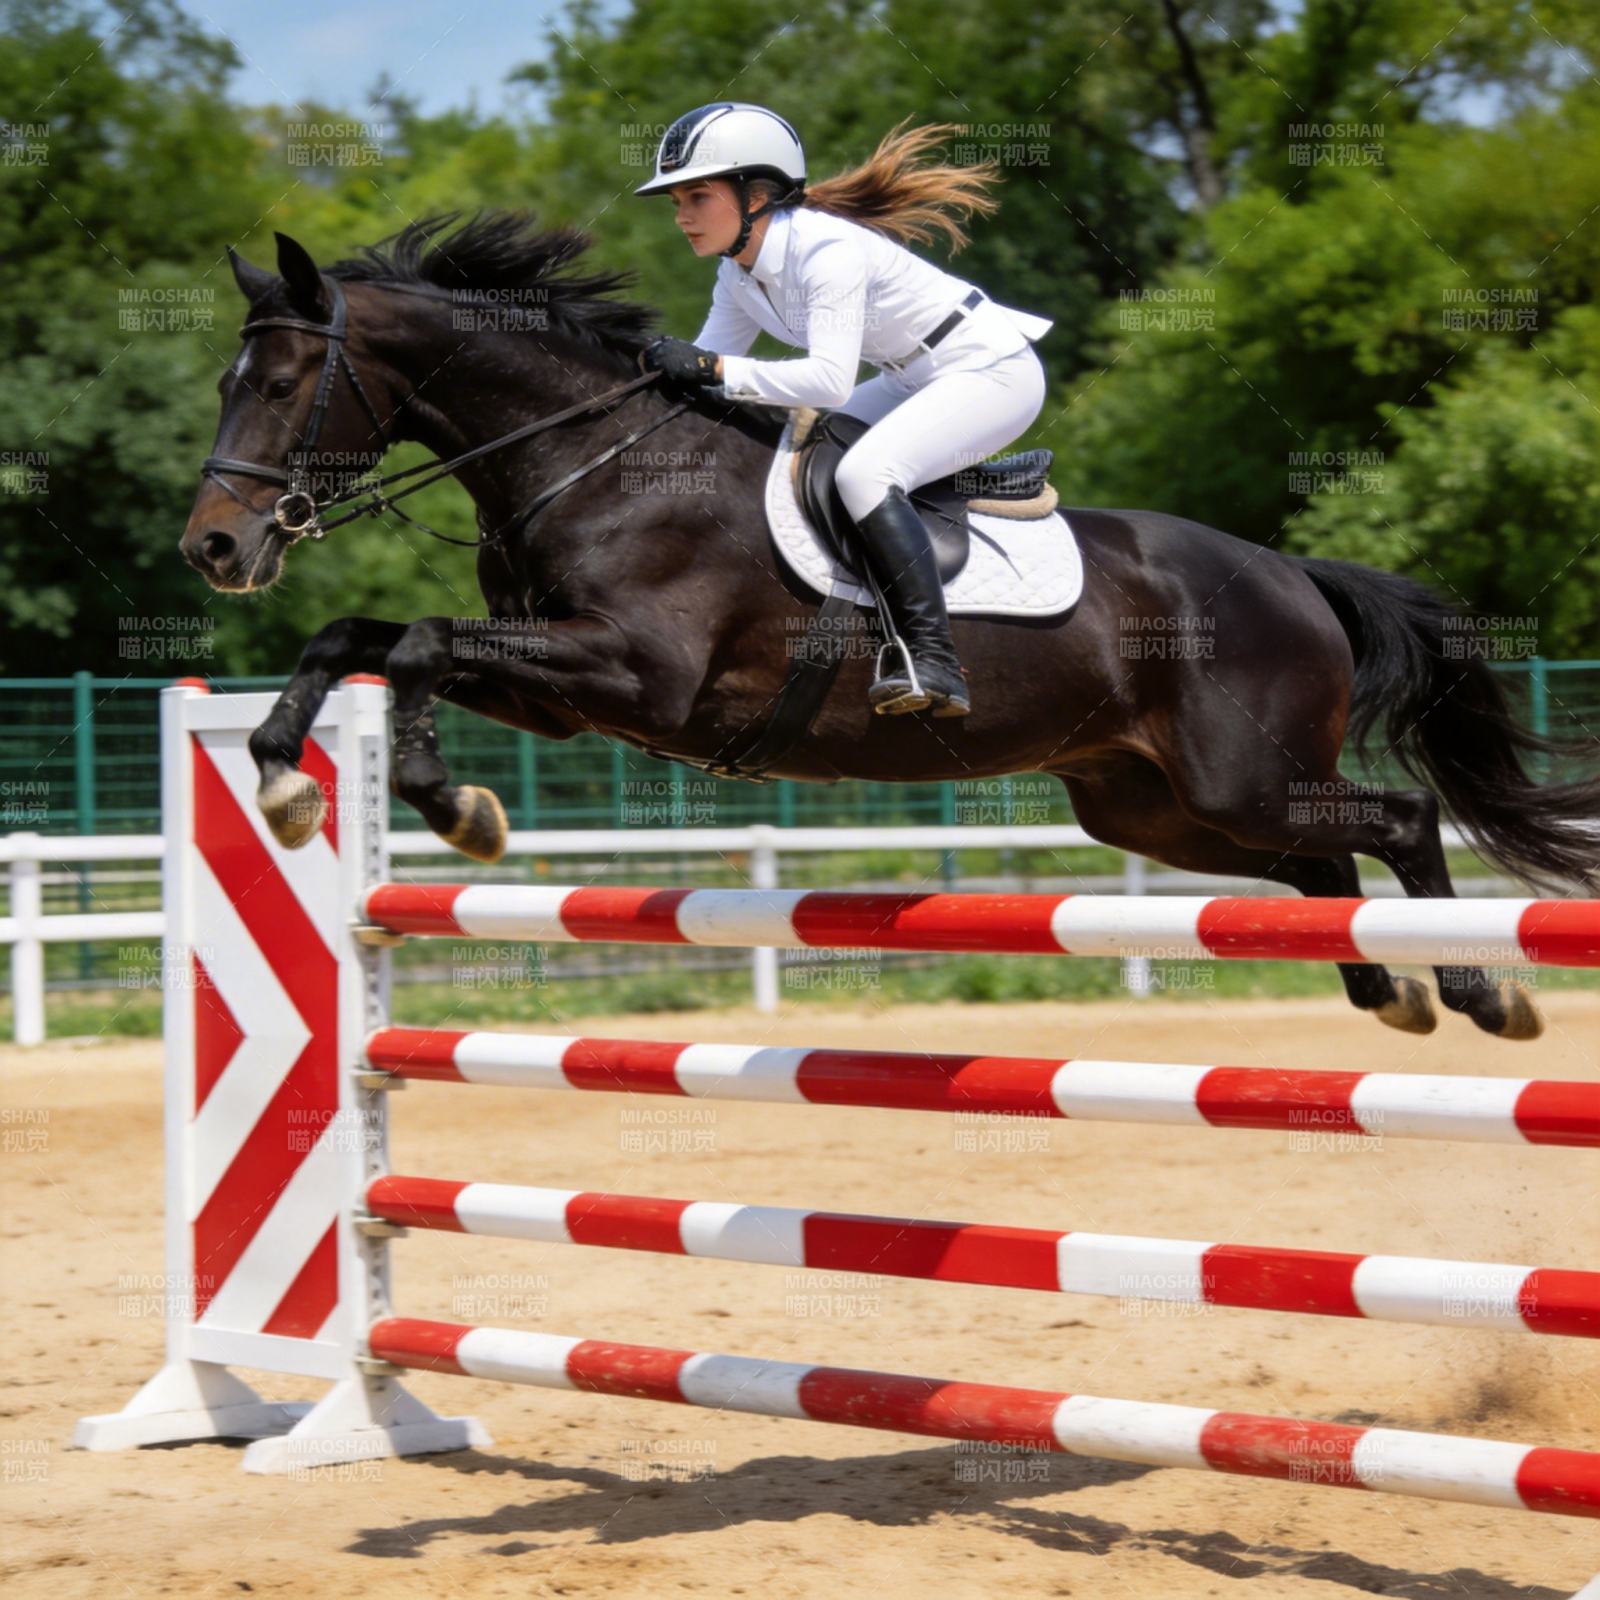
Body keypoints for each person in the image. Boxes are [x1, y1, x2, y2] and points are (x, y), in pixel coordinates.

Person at [634, 103, 1051, 718]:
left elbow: (826, 381)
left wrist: (709, 369)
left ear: (756, 194)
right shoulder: (738, 275)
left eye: (697, 196)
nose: (682, 217)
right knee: (796, 448)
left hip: (989, 371)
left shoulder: (824, 250)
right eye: (676, 202)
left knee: (864, 473)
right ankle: (965, 479)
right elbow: (706, 373)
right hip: (910, 378)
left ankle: (931, 659)